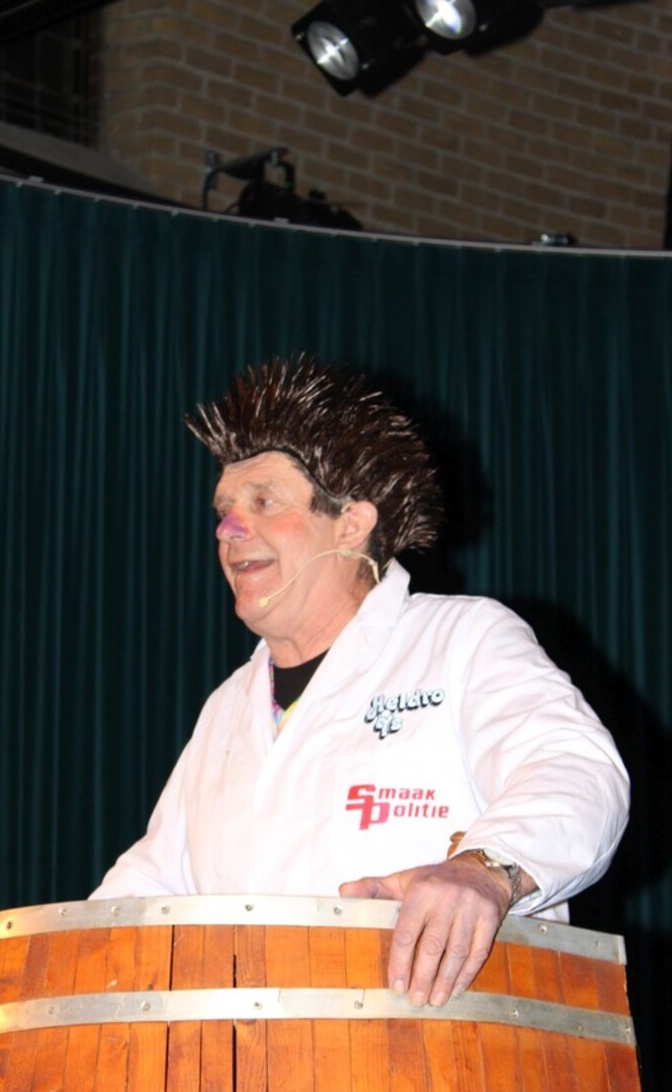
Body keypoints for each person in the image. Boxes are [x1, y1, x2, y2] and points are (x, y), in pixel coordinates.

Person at [92, 357, 629, 1008]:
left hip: (447, 1056)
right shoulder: (227, 707)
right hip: (253, 1065)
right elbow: (147, 888)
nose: (228, 531)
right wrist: (31, 962)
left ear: (351, 523)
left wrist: (485, 871)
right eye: (224, 511)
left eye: (264, 502)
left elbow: (576, 772)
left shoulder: (461, 640)